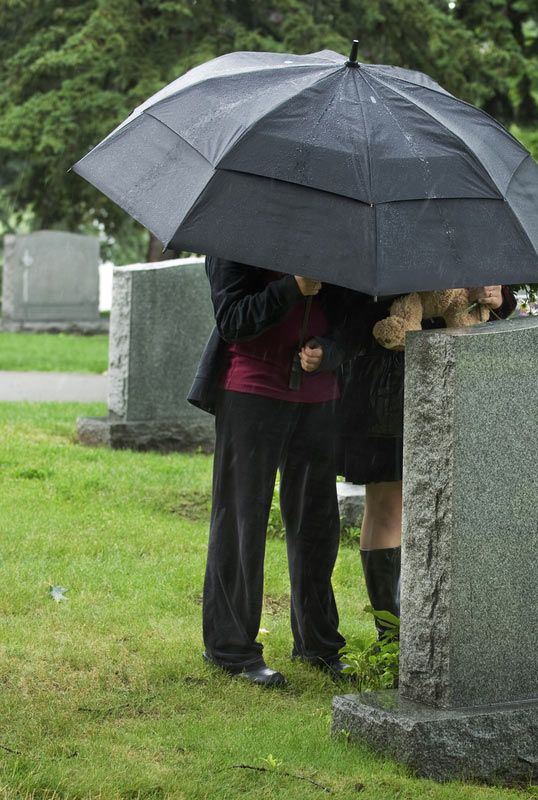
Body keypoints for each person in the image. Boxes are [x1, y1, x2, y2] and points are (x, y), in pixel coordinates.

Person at [188, 256, 353, 687]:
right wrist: (293, 286)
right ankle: (231, 650)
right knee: (242, 521)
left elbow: (352, 319)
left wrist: (329, 352)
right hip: (252, 389)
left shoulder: (333, 233)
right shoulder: (236, 231)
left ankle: (319, 645)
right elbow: (231, 319)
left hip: (319, 396)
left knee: (317, 524)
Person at [334, 285, 516, 638]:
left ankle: (440, 629)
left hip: (453, 376)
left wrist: (498, 298)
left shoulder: (467, 235)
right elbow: (351, 306)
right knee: (387, 503)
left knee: (447, 506)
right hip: (384, 377)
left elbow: (489, 306)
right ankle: (393, 635)